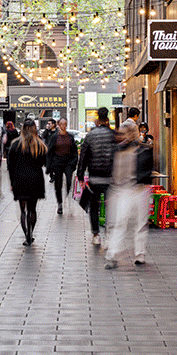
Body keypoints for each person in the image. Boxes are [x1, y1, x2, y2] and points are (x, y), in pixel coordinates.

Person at [104, 122, 153, 269]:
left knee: (140, 223)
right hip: (123, 191)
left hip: (139, 190)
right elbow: (112, 171)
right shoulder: (117, 150)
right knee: (120, 223)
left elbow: (147, 171)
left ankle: (140, 254)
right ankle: (111, 255)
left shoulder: (143, 150)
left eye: (123, 133)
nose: (121, 136)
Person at [76, 107, 117, 247]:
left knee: (94, 206)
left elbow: (83, 156)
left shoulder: (91, 135)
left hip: (94, 177)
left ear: (97, 119)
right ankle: (109, 235)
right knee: (110, 206)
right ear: (107, 118)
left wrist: (80, 176)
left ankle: (96, 235)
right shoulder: (113, 135)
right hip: (111, 178)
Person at [7, 119, 47, 246]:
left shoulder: (15, 145)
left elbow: (10, 165)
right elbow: (44, 163)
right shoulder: (39, 145)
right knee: (32, 209)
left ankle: (26, 234)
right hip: (35, 179)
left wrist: (12, 182)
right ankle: (31, 232)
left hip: (20, 179)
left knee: (22, 209)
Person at [46, 118, 78, 214]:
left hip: (68, 162)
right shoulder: (55, 137)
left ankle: (68, 194)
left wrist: (74, 162)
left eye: (65, 124)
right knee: (58, 184)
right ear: (58, 125)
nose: (63, 126)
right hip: (58, 163)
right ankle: (60, 203)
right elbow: (50, 152)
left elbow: (74, 151)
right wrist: (49, 166)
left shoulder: (70, 137)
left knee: (68, 180)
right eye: (61, 124)